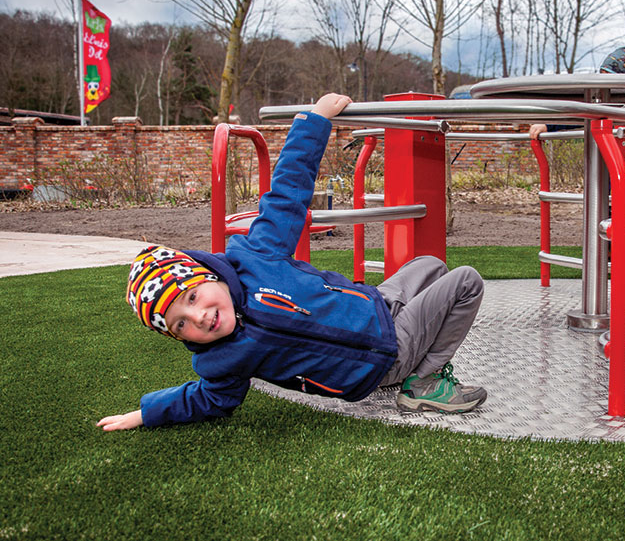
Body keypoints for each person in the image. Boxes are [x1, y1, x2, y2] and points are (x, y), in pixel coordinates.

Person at [97, 93, 487, 431]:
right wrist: (147, 413)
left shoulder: (256, 256)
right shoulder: (222, 360)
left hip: (376, 307)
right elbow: (208, 399)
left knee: (430, 264)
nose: (198, 318)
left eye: (192, 297)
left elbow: (286, 194)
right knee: (466, 281)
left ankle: (416, 342)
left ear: (209, 276)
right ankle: (423, 382)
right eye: (180, 324)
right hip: (381, 360)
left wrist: (315, 121)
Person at [528, 46, 625, 139]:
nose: (605, 85)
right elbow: (581, 115)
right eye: (602, 76)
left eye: (610, 78)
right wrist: (547, 126)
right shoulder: (605, 106)